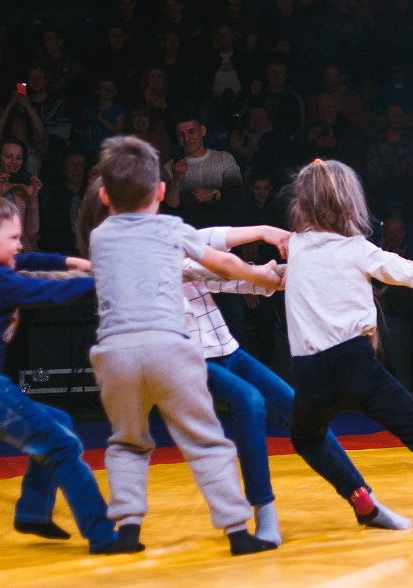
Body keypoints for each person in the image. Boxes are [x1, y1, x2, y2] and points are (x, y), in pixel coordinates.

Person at [76, 194, 413, 545]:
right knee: (249, 402)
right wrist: (261, 260)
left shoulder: (166, 239)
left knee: (301, 412)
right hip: (186, 358)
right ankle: (264, 511)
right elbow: (214, 260)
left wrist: (274, 263)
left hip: (225, 348)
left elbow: (217, 263)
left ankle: (363, 501)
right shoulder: (119, 262)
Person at [285, 158, 413, 540]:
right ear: (347, 203)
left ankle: (360, 499)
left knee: (306, 439)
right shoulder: (356, 249)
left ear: (301, 204)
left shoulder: (294, 246)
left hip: (308, 373)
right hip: (353, 366)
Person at [88, 135, 281, 555]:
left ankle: (128, 532)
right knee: (205, 440)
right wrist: (262, 276)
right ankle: (238, 532)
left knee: (126, 442)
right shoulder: (171, 228)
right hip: (168, 347)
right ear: (161, 191)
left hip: (114, 353)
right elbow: (223, 263)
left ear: (104, 196)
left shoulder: (99, 237)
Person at [0, 192, 129, 555]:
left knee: (59, 422)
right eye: (12, 237)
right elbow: (52, 291)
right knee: (62, 445)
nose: (20, 244)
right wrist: (112, 281)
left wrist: (72, 260)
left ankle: (33, 513)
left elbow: (27, 260)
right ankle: (103, 536)